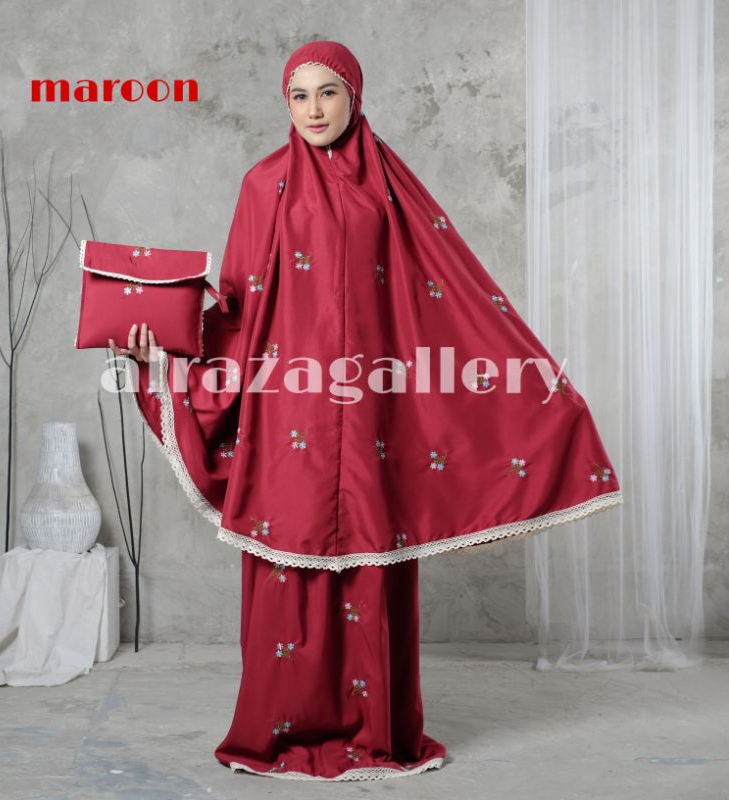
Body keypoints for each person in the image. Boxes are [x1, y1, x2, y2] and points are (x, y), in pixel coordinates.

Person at [109, 40, 623, 781]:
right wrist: (161, 341)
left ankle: (375, 734)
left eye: (328, 92)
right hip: (289, 411)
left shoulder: (391, 186)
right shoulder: (263, 185)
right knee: (288, 558)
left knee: (373, 565)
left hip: (375, 415)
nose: (314, 109)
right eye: (299, 96)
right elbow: (240, 305)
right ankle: (279, 732)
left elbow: (450, 291)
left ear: (354, 95)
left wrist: (532, 384)